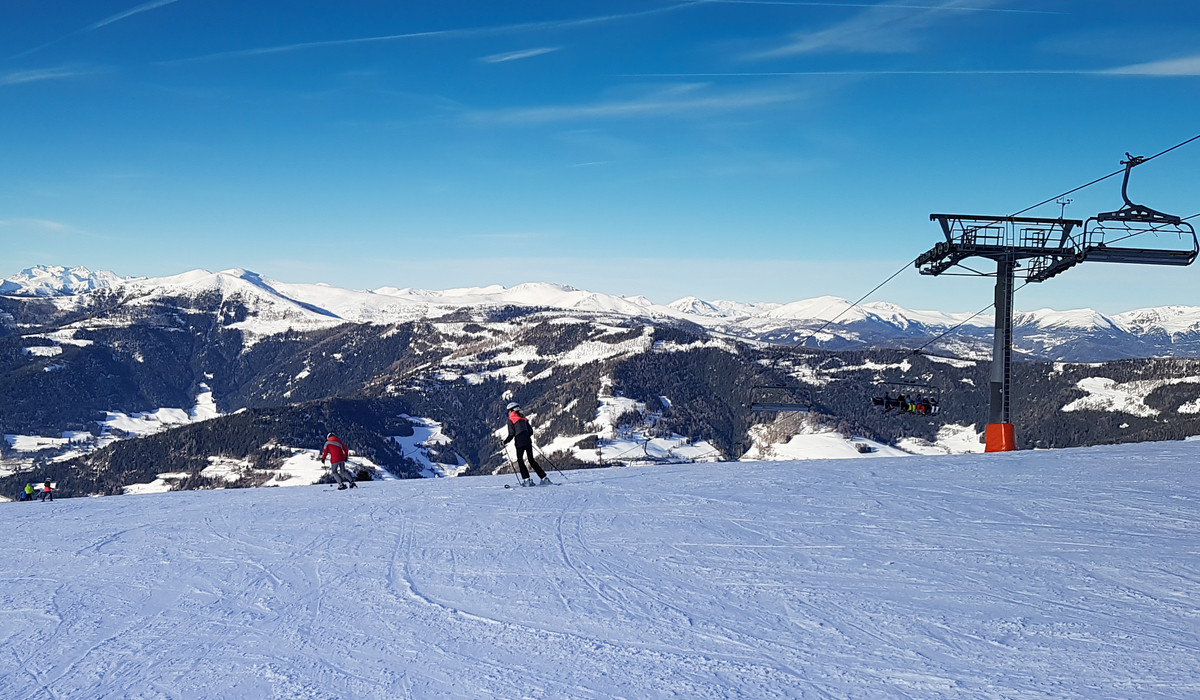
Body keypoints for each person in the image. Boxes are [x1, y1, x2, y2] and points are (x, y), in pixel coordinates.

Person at [502, 402, 549, 486]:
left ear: (511, 410)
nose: (508, 412)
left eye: (509, 411)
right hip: (527, 441)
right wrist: (526, 436)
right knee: (531, 460)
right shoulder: (524, 418)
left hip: (519, 442)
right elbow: (530, 431)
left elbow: (511, 434)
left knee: (520, 461)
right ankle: (544, 478)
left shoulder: (511, 419)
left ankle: (527, 480)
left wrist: (504, 442)